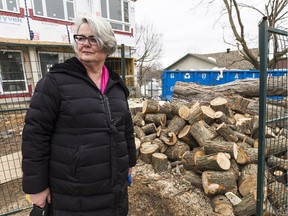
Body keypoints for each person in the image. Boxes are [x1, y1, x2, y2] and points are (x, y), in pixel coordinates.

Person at [22, 13, 136, 216]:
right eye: (81, 38)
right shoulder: (55, 82)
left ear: (107, 44)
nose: (85, 44)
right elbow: (35, 136)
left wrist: (129, 164)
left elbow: (125, 129)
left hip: (113, 191)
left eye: (93, 38)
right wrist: (36, 187)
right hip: (73, 191)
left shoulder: (117, 86)